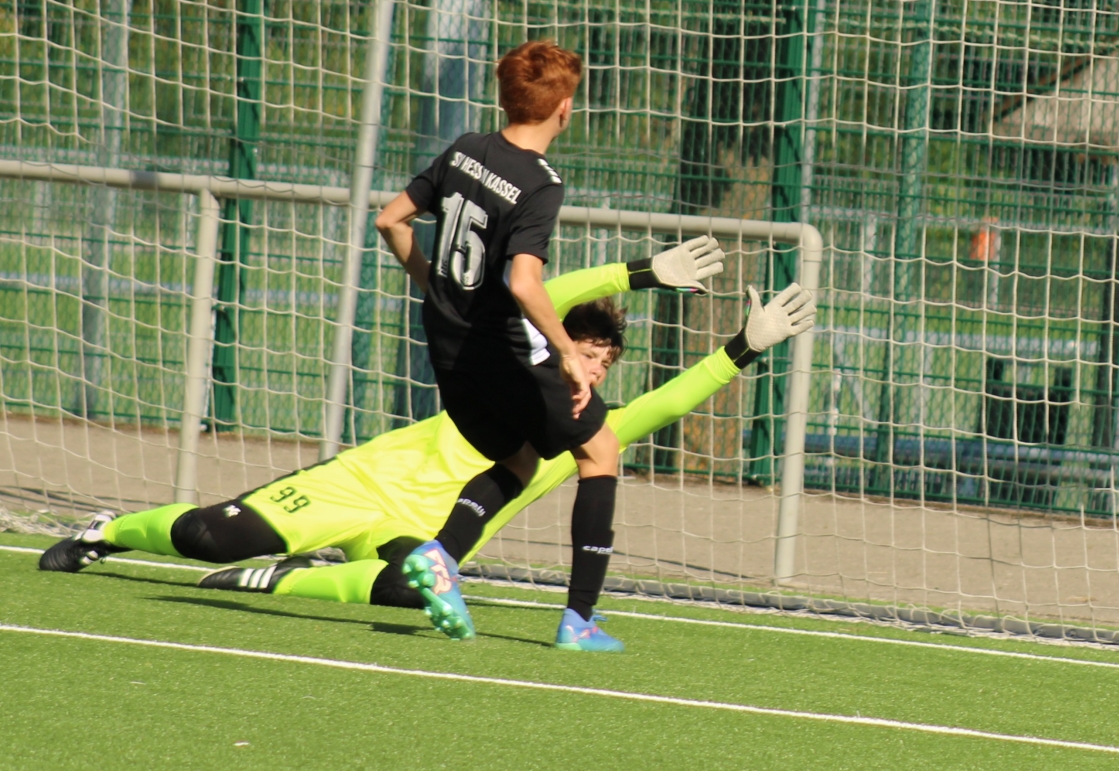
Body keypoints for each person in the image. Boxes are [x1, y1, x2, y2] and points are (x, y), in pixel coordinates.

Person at [40, 260, 819, 652]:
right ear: (554, 343)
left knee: (416, 590)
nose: (596, 369)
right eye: (587, 351)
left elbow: (668, 403)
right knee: (210, 534)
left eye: (606, 362)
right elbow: (537, 293)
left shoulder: (583, 429)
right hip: (362, 484)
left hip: (418, 536)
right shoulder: (510, 375)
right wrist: (639, 274)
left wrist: (744, 346)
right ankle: (108, 530)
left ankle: (284, 578)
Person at [373, 38, 634, 644]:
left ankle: (442, 554)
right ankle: (579, 620)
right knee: (601, 451)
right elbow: (523, 282)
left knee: (520, 456)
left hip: (446, 345)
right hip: (501, 349)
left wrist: (437, 286)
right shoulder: (540, 182)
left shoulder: (466, 149)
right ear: (564, 108)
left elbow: (390, 220)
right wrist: (567, 354)